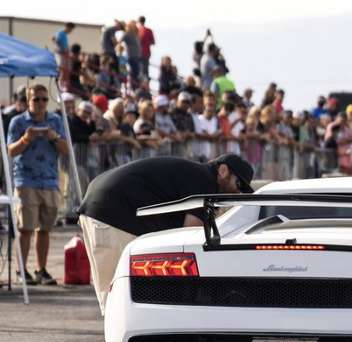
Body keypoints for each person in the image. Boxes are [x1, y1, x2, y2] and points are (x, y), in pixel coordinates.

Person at [77, 154, 254, 312]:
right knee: (121, 296)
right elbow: (190, 235)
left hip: (99, 207)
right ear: (223, 171)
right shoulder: (204, 181)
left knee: (117, 298)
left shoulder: (194, 174)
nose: (238, 191)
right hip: (113, 213)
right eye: (238, 184)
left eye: (243, 191)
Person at [6, 85, 69, 285]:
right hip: (26, 180)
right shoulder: (18, 122)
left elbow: (67, 149)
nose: (41, 103)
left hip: (50, 180)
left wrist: (54, 137)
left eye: (44, 99)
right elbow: (10, 151)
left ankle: (41, 269)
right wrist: (26, 138)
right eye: (36, 100)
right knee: (26, 228)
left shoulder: (56, 121)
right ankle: (21, 270)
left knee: (44, 229)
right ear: (28, 100)